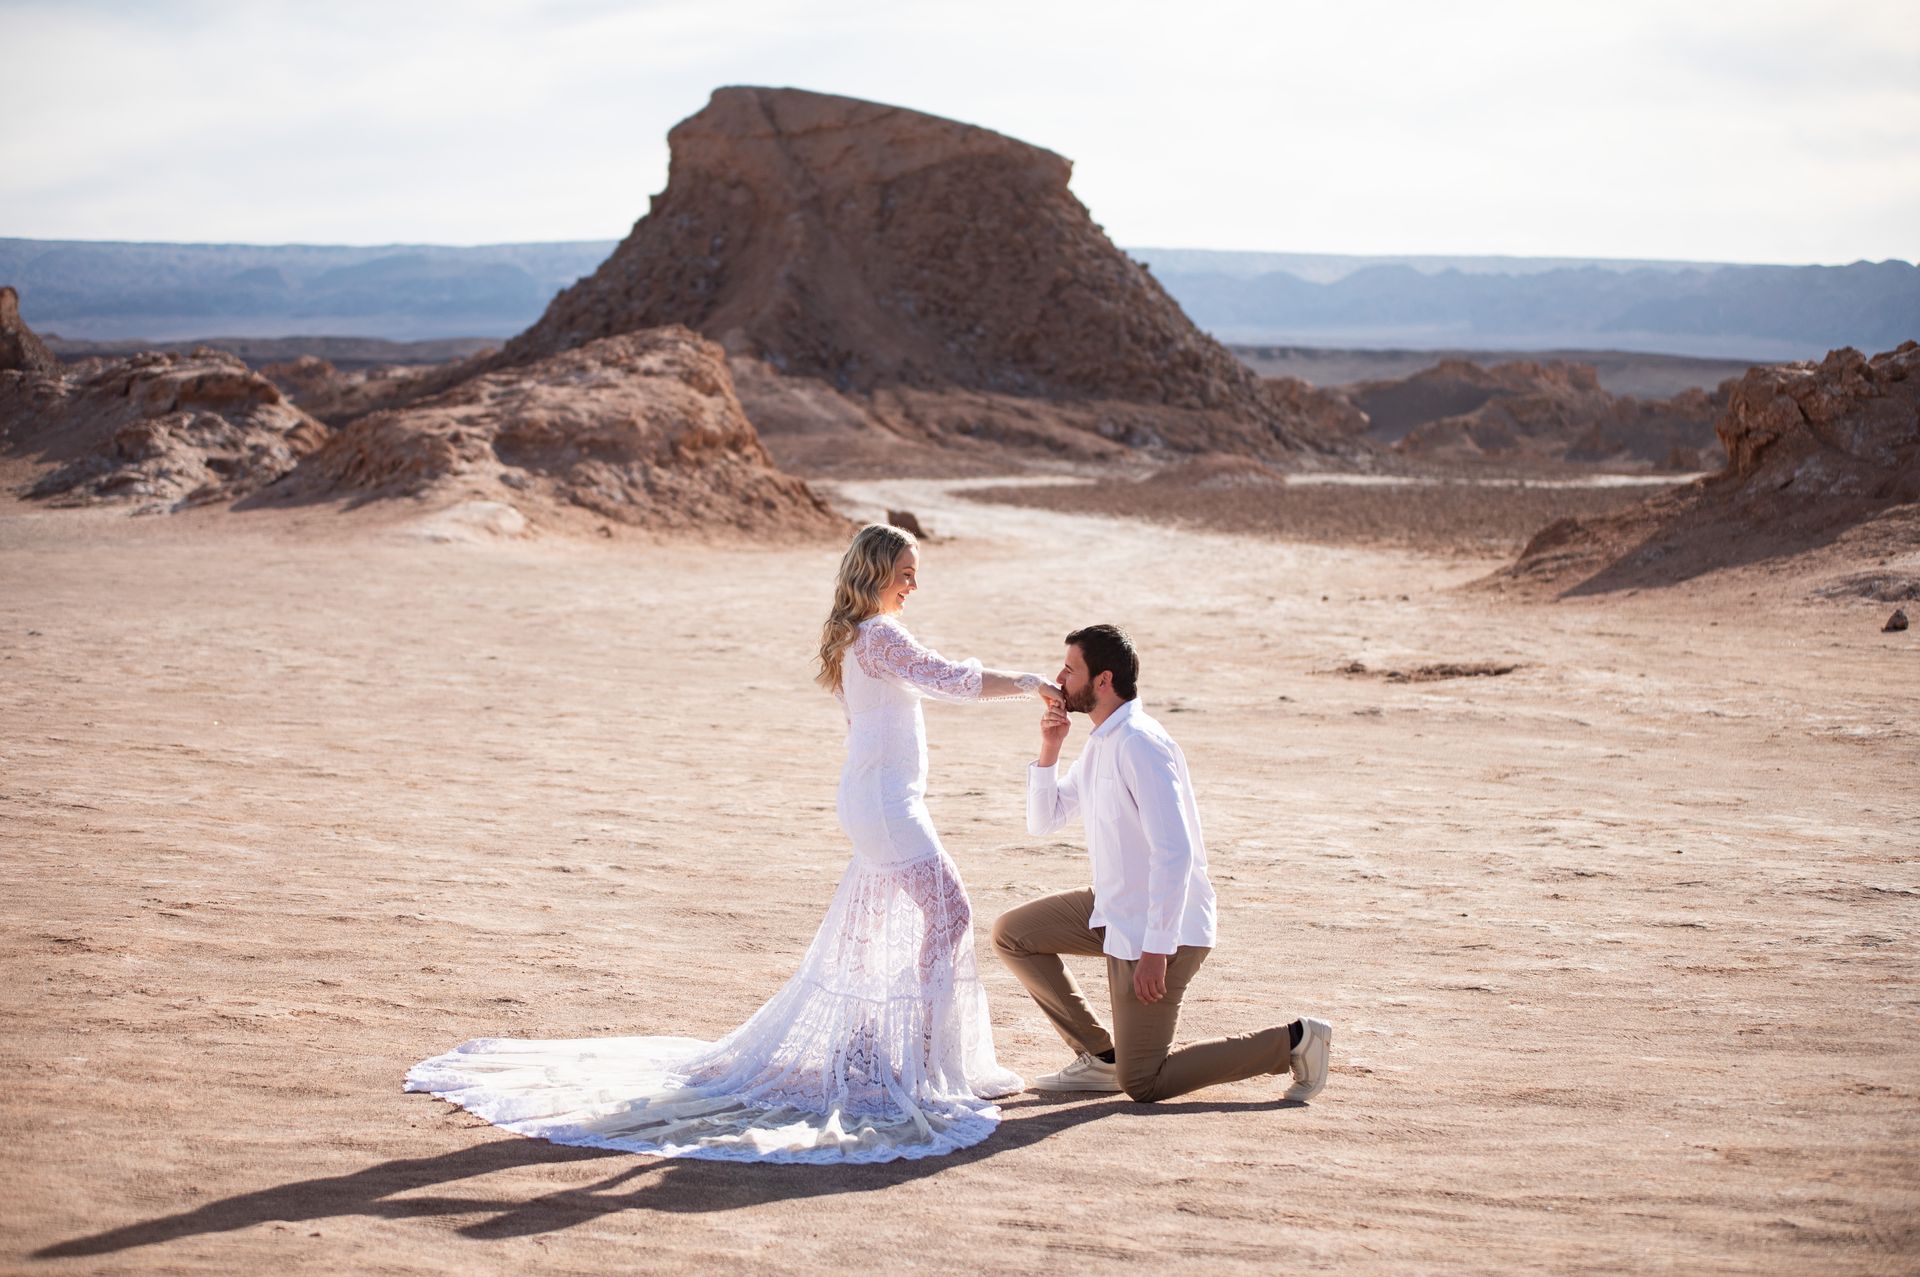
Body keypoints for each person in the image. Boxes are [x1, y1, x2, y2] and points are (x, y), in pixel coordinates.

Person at [405, 523, 1061, 1163]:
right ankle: (924, 1062)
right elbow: (947, 678)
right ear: (875, 574)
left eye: (916, 574)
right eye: (905, 573)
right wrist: (1030, 681)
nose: (914, 585)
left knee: (888, 924)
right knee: (949, 913)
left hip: (876, 802)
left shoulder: (859, 635)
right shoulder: (881, 634)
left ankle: (896, 1053)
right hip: (888, 807)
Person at [990, 624, 1333, 1102]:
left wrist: (1156, 950)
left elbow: (1175, 852)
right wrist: (1050, 749)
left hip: (1164, 928)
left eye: (1070, 669)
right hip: (1113, 910)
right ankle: (1099, 1058)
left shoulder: (1139, 743)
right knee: (1012, 933)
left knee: (1144, 1082)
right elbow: (1043, 821)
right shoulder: (1100, 744)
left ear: (1103, 680)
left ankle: (1295, 1042)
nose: (1059, 678)